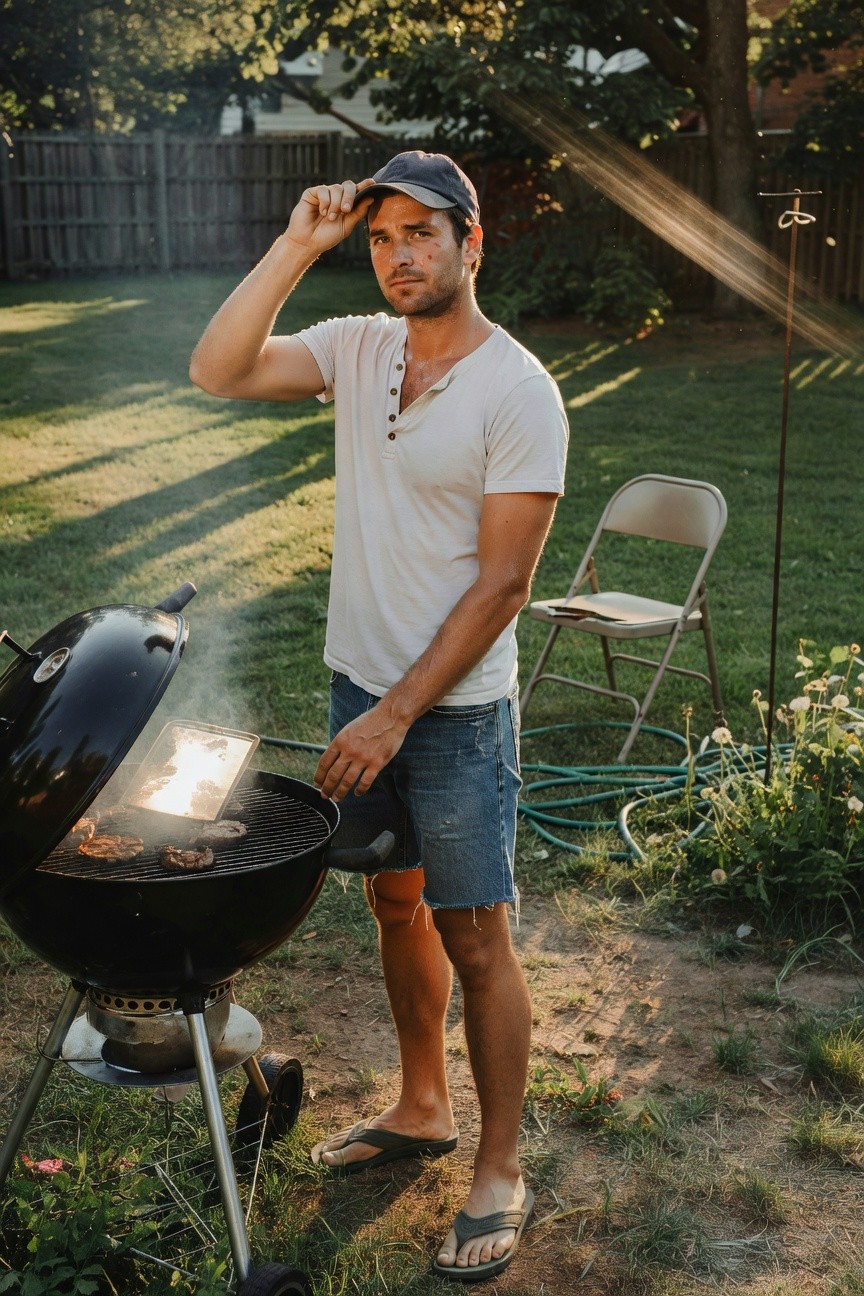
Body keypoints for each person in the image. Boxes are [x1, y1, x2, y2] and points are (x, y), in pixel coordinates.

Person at [189, 150, 569, 1282]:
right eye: (381, 237)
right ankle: (420, 1105)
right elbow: (217, 371)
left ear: (472, 242)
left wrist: (399, 715)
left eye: (422, 233)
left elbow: (503, 584)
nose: (400, 255)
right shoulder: (358, 346)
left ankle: (499, 1168)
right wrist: (300, 244)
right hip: (364, 689)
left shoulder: (521, 391)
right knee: (395, 911)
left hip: (447, 715)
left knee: (476, 933)